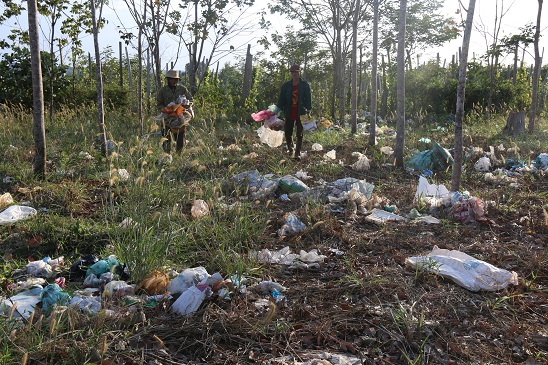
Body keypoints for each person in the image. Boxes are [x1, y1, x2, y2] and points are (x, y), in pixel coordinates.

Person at [275, 64, 312, 160]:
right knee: (288, 133)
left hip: (301, 112)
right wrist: (275, 111)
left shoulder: (305, 85)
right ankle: (291, 150)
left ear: (300, 72)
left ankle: (297, 153)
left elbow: (308, 98)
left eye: (296, 72)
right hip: (289, 111)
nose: (295, 74)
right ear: (291, 73)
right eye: (293, 72)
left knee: (299, 133)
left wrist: (309, 110)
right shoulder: (286, 86)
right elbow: (281, 100)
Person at [156, 69, 193, 153]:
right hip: (167, 118)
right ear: (168, 79)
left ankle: (179, 155)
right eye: (172, 79)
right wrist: (166, 110)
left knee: (180, 138)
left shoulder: (182, 89)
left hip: (180, 118)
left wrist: (187, 105)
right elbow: (159, 104)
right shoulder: (163, 91)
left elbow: (190, 99)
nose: (174, 81)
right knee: (166, 138)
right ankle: (167, 157)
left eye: (175, 79)